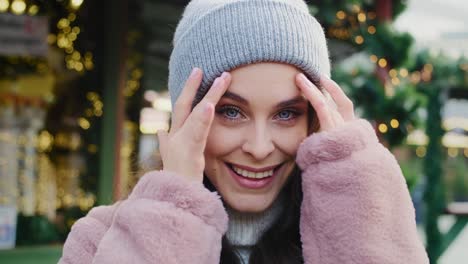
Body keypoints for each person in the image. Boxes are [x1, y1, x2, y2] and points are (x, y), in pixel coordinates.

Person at [59, 0, 429, 263]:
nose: (258, 146)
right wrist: (171, 214)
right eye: (231, 111)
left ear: (314, 120)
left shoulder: (359, 224)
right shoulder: (98, 241)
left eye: (286, 114)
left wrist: (356, 185)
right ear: (185, 117)